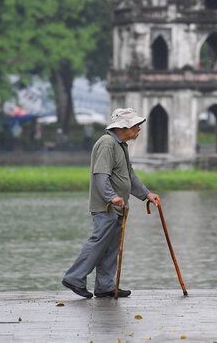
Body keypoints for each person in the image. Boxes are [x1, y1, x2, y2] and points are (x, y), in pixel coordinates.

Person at [62, 107, 161, 299]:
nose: (138, 130)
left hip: (118, 208)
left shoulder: (121, 145)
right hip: (106, 206)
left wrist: (147, 194)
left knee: (111, 246)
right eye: (136, 126)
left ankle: (105, 286)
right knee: (99, 242)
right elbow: (101, 174)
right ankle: (75, 277)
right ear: (124, 126)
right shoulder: (107, 143)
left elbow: (129, 176)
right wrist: (111, 196)